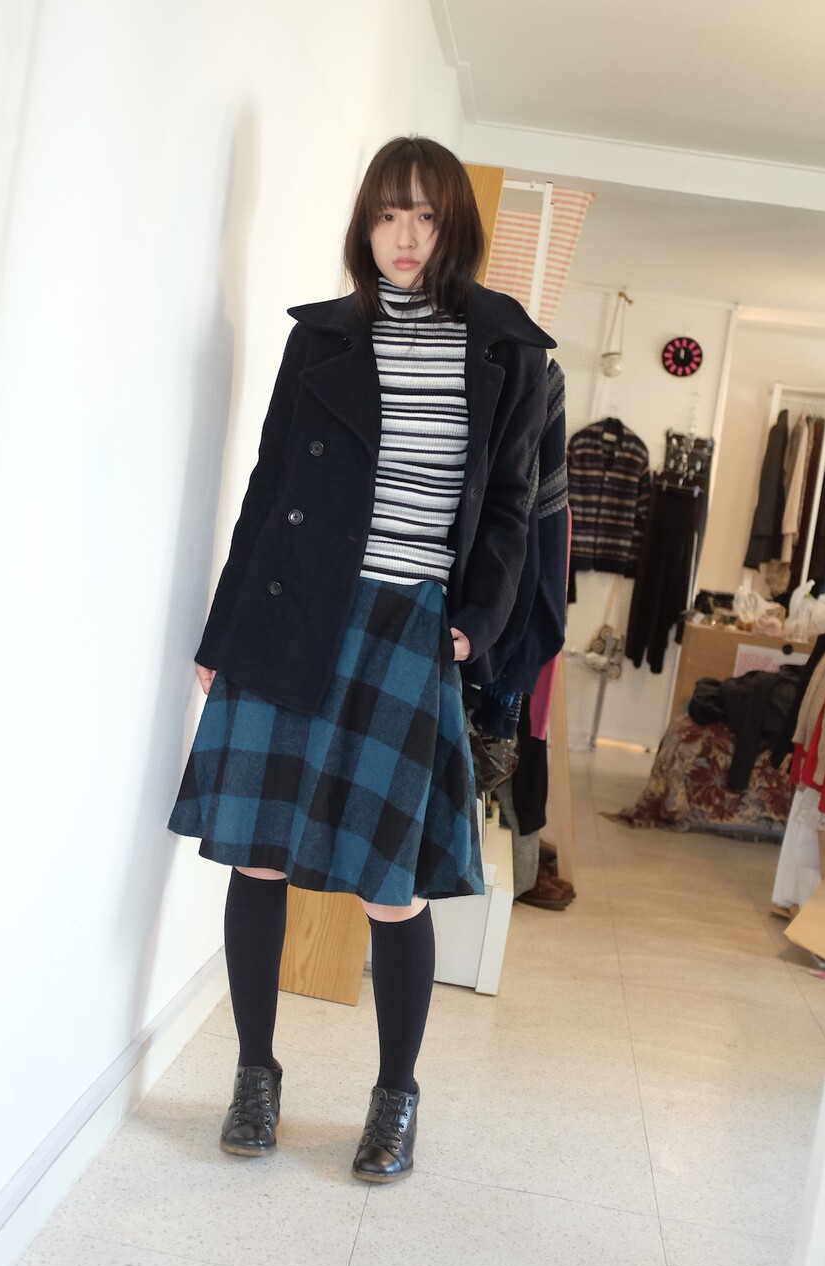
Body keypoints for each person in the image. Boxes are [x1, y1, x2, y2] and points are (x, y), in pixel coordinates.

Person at [169, 135, 554, 1183]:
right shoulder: (324, 338)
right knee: (257, 854)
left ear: (455, 226)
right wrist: (223, 632)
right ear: (365, 224)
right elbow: (268, 486)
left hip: (407, 626)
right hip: (295, 611)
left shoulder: (508, 349)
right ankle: (255, 1073)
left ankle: (396, 1095)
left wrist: (473, 623)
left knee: (392, 884)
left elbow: (510, 509)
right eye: (389, 213)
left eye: (425, 214)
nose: (405, 235)